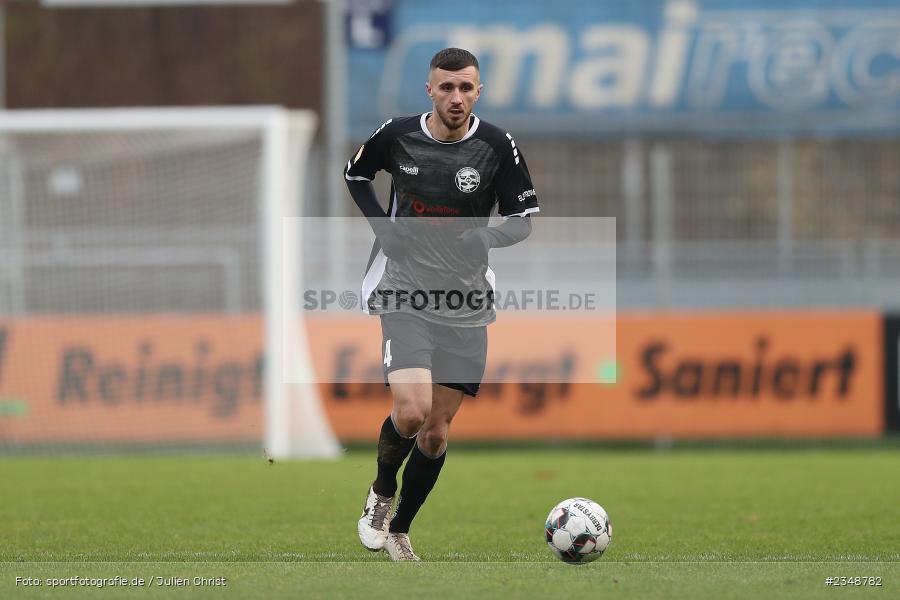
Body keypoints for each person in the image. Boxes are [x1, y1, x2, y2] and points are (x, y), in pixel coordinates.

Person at [343, 47, 539, 561]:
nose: (456, 97)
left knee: (435, 432)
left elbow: (522, 219)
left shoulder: (497, 145)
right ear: (429, 90)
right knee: (411, 411)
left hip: (465, 299)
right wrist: (383, 229)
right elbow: (355, 176)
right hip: (403, 287)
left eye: (466, 88)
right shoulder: (397, 134)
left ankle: (402, 529)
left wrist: (487, 239)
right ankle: (382, 495)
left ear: (479, 91)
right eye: (446, 88)